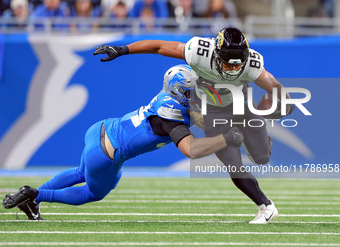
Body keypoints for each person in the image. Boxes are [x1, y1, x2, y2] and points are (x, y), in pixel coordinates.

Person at [91, 27, 296, 224]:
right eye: (228, 64)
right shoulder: (200, 52)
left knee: (261, 158)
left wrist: (282, 104)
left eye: (237, 64)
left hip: (240, 105)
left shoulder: (252, 64)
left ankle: (258, 141)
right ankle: (266, 206)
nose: (233, 69)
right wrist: (122, 50)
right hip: (213, 111)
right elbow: (159, 46)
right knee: (234, 165)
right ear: (216, 55)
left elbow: (277, 90)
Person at [2, 64, 244, 221]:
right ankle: (34, 194)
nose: (196, 95)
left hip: (100, 130)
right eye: (191, 91)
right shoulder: (170, 118)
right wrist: (226, 138)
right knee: (92, 193)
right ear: (180, 91)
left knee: (80, 172)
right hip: (107, 153)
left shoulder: (167, 98)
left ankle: (33, 200)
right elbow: (191, 150)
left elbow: (200, 116)